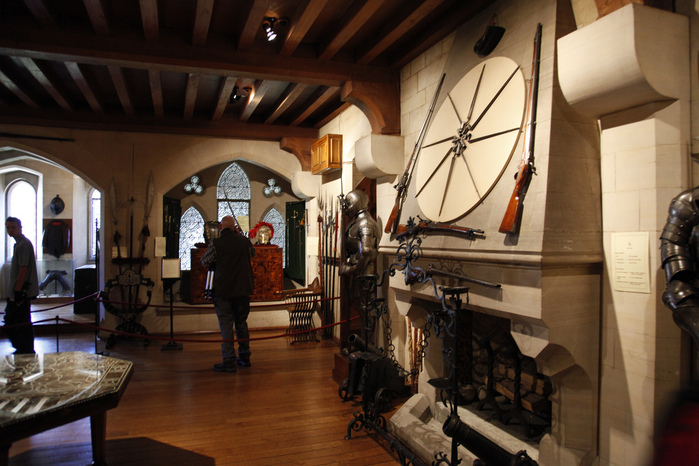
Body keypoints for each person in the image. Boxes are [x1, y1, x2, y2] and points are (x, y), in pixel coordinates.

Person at [202, 215, 255, 373]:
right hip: (242, 289)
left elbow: (205, 261)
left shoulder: (216, 244)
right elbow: (252, 253)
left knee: (226, 324)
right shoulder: (244, 242)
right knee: (241, 322)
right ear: (234, 228)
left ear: (220, 227)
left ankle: (229, 360)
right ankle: (245, 356)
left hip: (223, 290)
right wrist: (241, 237)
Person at [4, 217, 39, 354]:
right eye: (8, 227)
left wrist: (18, 292)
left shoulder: (24, 244)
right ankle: (23, 347)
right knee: (16, 320)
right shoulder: (19, 244)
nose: (10, 230)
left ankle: (25, 348)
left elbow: (23, 269)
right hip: (17, 292)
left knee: (19, 321)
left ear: (19, 227)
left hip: (22, 292)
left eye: (13, 227)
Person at [338, 190, 379, 277]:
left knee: (363, 290)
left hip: (364, 271)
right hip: (355, 268)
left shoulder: (366, 223)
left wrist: (352, 269)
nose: (347, 208)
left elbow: (366, 251)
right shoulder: (355, 223)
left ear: (357, 203)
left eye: (348, 204)